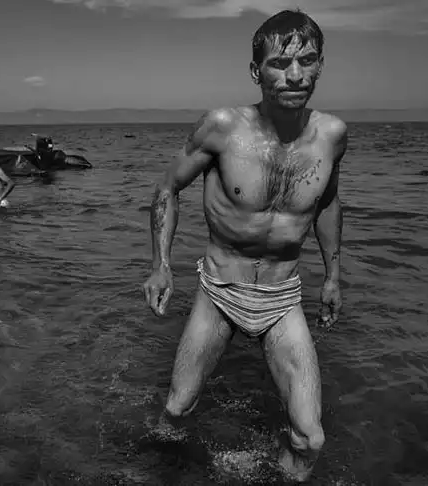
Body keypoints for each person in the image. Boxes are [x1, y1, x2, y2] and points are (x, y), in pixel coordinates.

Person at [142, 9, 347, 483]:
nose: (294, 75)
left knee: (310, 438)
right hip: (220, 290)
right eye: (279, 63)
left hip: (282, 297)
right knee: (177, 409)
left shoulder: (332, 136)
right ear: (257, 72)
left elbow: (328, 202)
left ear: (320, 65)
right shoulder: (222, 127)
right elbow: (167, 187)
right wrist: (161, 265)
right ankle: (156, 473)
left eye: (307, 61)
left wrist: (333, 277)